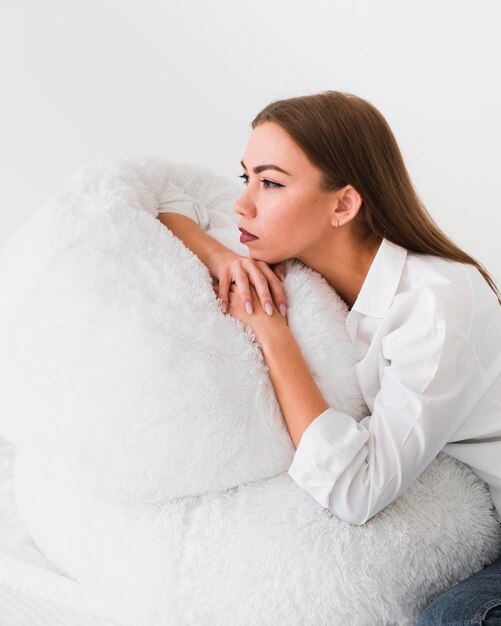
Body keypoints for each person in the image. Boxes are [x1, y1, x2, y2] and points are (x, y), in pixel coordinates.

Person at [156, 90, 501, 624]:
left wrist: (270, 332)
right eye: (245, 176)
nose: (241, 204)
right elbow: (167, 202)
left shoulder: (434, 304)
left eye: (269, 182)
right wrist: (220, 255)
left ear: (343, 204)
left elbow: (357, 491)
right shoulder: (288, 248)